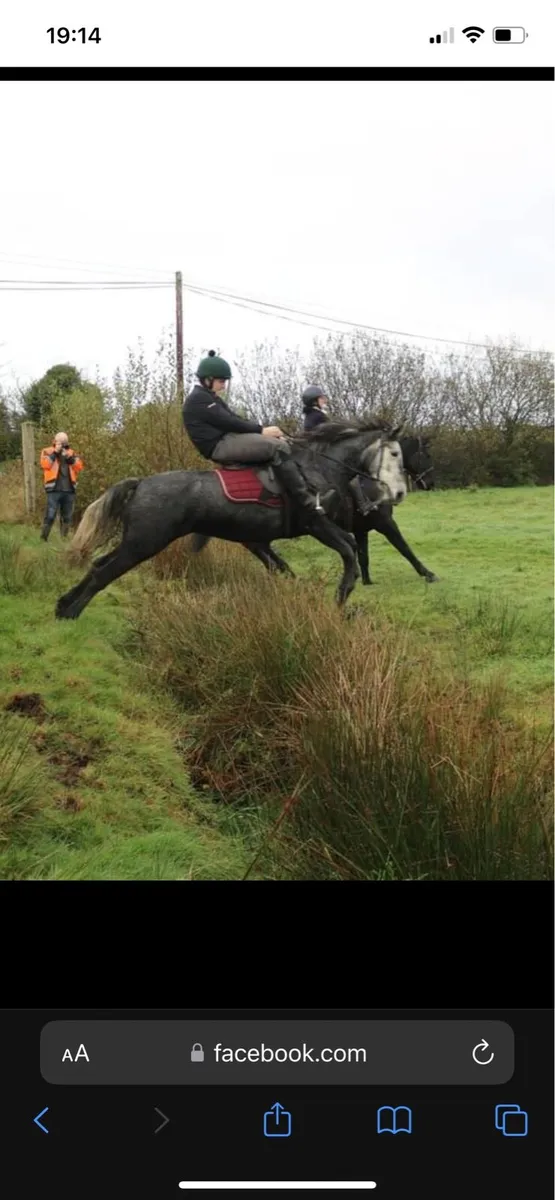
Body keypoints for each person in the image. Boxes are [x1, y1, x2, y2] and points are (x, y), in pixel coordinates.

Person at [182, 351, 333, 533]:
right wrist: (262, 431)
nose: (224, 385)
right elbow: (229, 422)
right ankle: (304, 500)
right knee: (277, 447)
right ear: (208, 379)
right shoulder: (199, 399)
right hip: (219, 445)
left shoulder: (210, 398)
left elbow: (233, 417)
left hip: (227, 439)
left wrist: (265, 432)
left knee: (281, 442)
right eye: (221, 381)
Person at [301, 384, 374, 516]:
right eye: (321, 398)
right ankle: (363, 504)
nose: (325, 400)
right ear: (314, 401)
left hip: (320, 455)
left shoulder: (312, 416)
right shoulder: (317, 417)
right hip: (324, 456)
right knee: (353, 476)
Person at [39, 432, 83, 541]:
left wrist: (70, 459)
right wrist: (55, 453)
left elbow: (79, 467)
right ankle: (43, 538)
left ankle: (63, 539)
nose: (63, 444)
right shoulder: (47, 451)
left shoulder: (72, 453)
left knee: (67, 517)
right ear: (55, 441)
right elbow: (45, 465)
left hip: (69, 490)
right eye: (60, 442)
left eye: (65, 442)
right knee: (50, 515)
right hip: (53, 489)